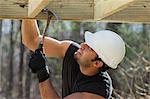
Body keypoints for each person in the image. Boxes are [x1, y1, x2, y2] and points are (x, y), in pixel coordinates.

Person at [22, 20, 126, 99]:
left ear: (97, 63)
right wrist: (30, 12)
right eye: (86, 42)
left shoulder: (97, 90)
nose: (83, 45)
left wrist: (42, 73)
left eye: (89, 48)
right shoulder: (73, 52)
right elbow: (32, 40)